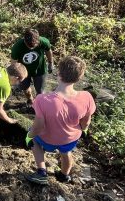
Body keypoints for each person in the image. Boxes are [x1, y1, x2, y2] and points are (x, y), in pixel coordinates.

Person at [25, 56, 95, 184]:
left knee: (34, 140)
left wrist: (29, 136)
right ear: (80, 77)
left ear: (58, 74)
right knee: (66, 152)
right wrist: (84, 130)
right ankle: (64, 175)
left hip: (47, 140)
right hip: (69, 139)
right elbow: (86, 122)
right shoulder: (87, 97)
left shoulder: (42, 99)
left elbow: (38, 127)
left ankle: (41, 172)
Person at [10, 28, 54, 106]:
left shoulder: (44, 42)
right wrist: (16, 77)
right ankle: (30, 100)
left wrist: (51, 63)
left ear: (38, 40)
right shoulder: (17, 47)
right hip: (23, 72)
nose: (31, 48)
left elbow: (48, 51)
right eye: (29, 46)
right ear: (24, 40)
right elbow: (14, 64)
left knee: (40, 91)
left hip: (40, 70)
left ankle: (39, 105)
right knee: (25, 89)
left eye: (33, 46)